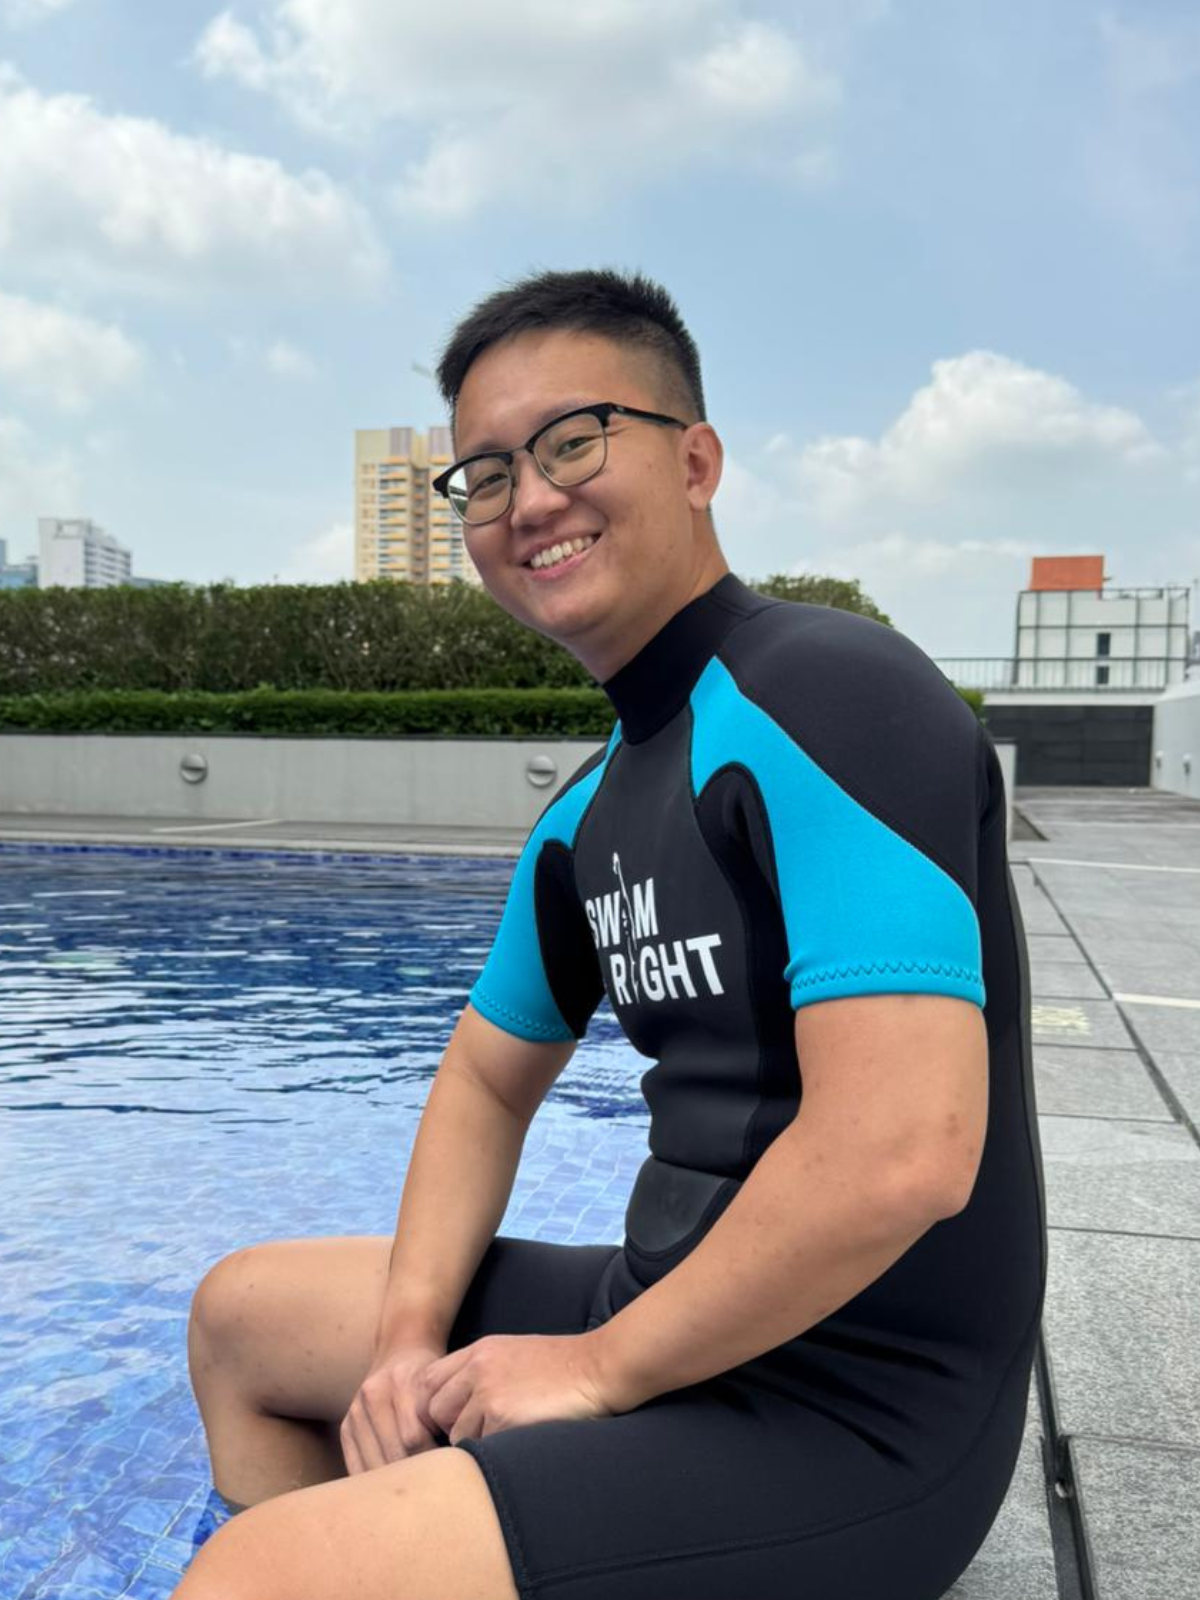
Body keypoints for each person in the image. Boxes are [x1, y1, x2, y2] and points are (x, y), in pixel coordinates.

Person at [176, 269, 1046, 1600]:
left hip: (856, 1411)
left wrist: (592, 1371)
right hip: (659, 1311)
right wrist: (407, 1347)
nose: (527, 498)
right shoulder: (589, 813)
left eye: (573, 439)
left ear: (695, 459)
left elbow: (906, 1154)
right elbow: (482, 1076)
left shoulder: (834, 697)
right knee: (241, 1323)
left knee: (253, 1578)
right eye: (483, 471)